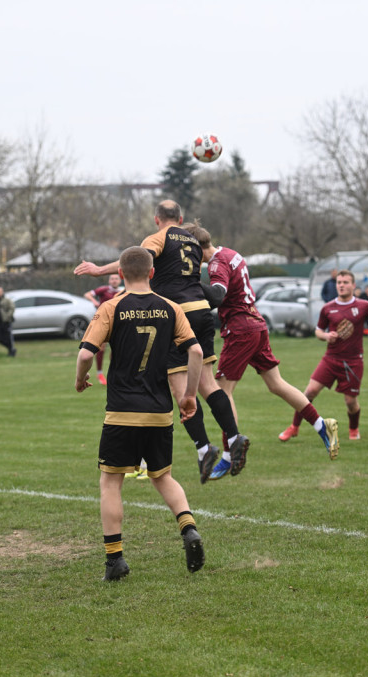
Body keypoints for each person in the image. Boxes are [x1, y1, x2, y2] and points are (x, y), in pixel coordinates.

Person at [74, 200, 244, 484]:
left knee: (181, 390)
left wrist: (98, 270)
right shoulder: (191, 239)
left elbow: (137, 263)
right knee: (207, 384)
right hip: (202, 312)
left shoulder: (158, 237)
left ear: (157, 220)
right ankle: (235, 436)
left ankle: (204, 448)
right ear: (180, 217)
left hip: (178, 316)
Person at [75, 246, 205, 581]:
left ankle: (115, 559)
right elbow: (196, 351)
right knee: (162, 476)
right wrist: (189, 396)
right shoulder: (169, 307)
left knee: (111, 481)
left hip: (121, 411)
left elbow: (86, 354)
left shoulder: (112, 307)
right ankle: (188, 527)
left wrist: (81, 379)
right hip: (159, 411)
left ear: (119, 273)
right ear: (151, 273)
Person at [186, 223, 340, 474]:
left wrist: (189, 282)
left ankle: (229, 453)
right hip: (256, 323)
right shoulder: (230, 253)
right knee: (276, 384)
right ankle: (322, 425)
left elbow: (217, 295)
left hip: (240, 328)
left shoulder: (215, 264)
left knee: (222, 393)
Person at [280, 269, 368, 442]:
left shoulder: (363, 306)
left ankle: (353, 429)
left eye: (345, 282)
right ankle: (294, 427)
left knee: (351, 402)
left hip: (353, 361)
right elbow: (318, 331)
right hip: (330, 359)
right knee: (309, 391)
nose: (341, 285)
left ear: (353, 285)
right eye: (339, 283)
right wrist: (326, 336)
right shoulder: (328, 308)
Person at [83, 274, 123, 385]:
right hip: (103, 322)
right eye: (112, 279)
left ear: (120, 280)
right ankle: (100, 373)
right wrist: (94, 301)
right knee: (101, 348)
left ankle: (114, 372)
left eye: (116, 279)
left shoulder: (123, 291)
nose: (114, 281)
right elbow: (87, 294)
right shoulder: (103, 289)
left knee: (117, 349)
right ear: (109, 280)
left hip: (118, 322)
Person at [0, 286, 16, 357]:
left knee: (8, 337)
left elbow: (12, 308)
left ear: (2, 292)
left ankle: (11, 350)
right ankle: (10, 348)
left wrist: (8, 316)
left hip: (6, 322)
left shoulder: (6, 300)